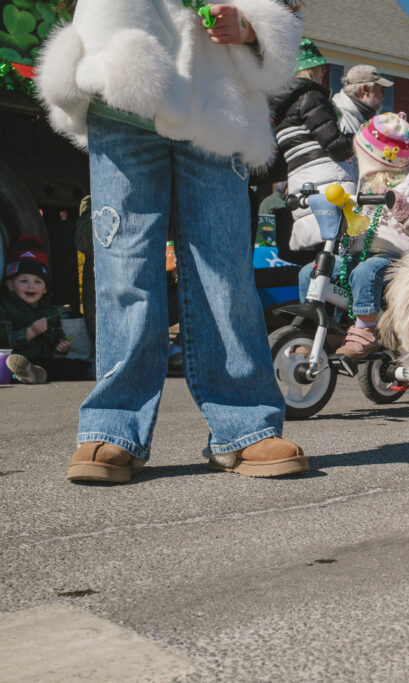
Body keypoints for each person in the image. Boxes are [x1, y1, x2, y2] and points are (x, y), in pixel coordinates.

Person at [37, 0, 307, 482]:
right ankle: (113, 426)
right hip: (119, 84)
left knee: (225, 274)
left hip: (215, 96)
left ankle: (245, 427)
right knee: (125, 270)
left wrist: (253, 26)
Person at [296, 113, 409, 360]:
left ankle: (365, 331)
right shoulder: (366, 184)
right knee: (311, 272)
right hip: (360, 254)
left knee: (366, 272)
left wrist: (403, 209)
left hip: (399, 260)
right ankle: (324, 330)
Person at [271, 38, 356, 251]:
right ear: (311, 69)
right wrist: (359, 140)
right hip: (329, 185)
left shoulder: (279, 108)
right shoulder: (311, 96)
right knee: (338, 255)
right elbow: (336, 146)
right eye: (321, 68)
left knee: (319, 256)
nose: (323, 73)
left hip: (301, 185)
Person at [1, 236, 92, 384]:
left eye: (38, 281)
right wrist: (29, 332)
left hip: (43, 360)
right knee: (9, 369)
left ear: (44, 289)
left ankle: (92, 370)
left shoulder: (49, 310)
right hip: (15, 360)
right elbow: (5, 342)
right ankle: (25, 374)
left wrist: (61, 346)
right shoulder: (6, 308)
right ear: (10, 285)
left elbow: (56, 338)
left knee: (68, 366)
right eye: (24, 280)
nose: (31, 286)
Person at [331, 65, 392, 183]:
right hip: (340, 187)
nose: (384, 95)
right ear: (365, 90)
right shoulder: (339, 115)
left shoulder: (362, 117)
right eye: (381, 89)